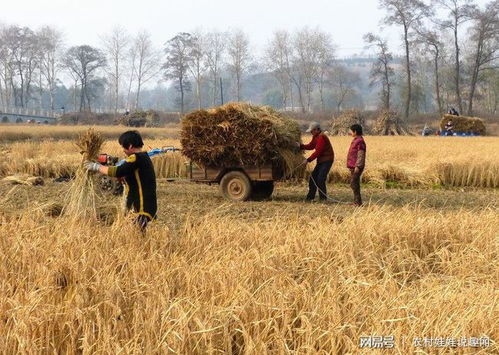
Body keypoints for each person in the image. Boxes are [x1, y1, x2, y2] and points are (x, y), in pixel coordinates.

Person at [85, 130, 157, 233]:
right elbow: (130, 175)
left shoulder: (135, 158)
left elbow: (117, 171)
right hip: (145, 205)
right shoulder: (144, 157)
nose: (123, 150)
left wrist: (96, 167)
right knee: (137, 233)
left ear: (130, 146)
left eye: (123, 147)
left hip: (141, 206)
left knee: (135, 233)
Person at [299, 122, 334, 201]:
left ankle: (323, 198)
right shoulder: (315, 136)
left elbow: (318, 152)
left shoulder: (322, 137)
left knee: (320, 179)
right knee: (313, 178)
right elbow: (311, 146)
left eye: (311, 131)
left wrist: (308, 160)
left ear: (316, 130)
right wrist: (300, 146)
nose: (311, 133)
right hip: (321, 161)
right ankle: (310, 197)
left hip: (327, 160)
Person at [347, 124, 366, 206]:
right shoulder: (356, 140)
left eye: (351, 131)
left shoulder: (360, 141)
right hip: (353, 166)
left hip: (356, 167)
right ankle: (357, 202)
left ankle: (358, 202)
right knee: (355, 184)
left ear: (355, 131)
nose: (350, 133)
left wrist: (358, 166)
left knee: (354, 183)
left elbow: (361, 155)